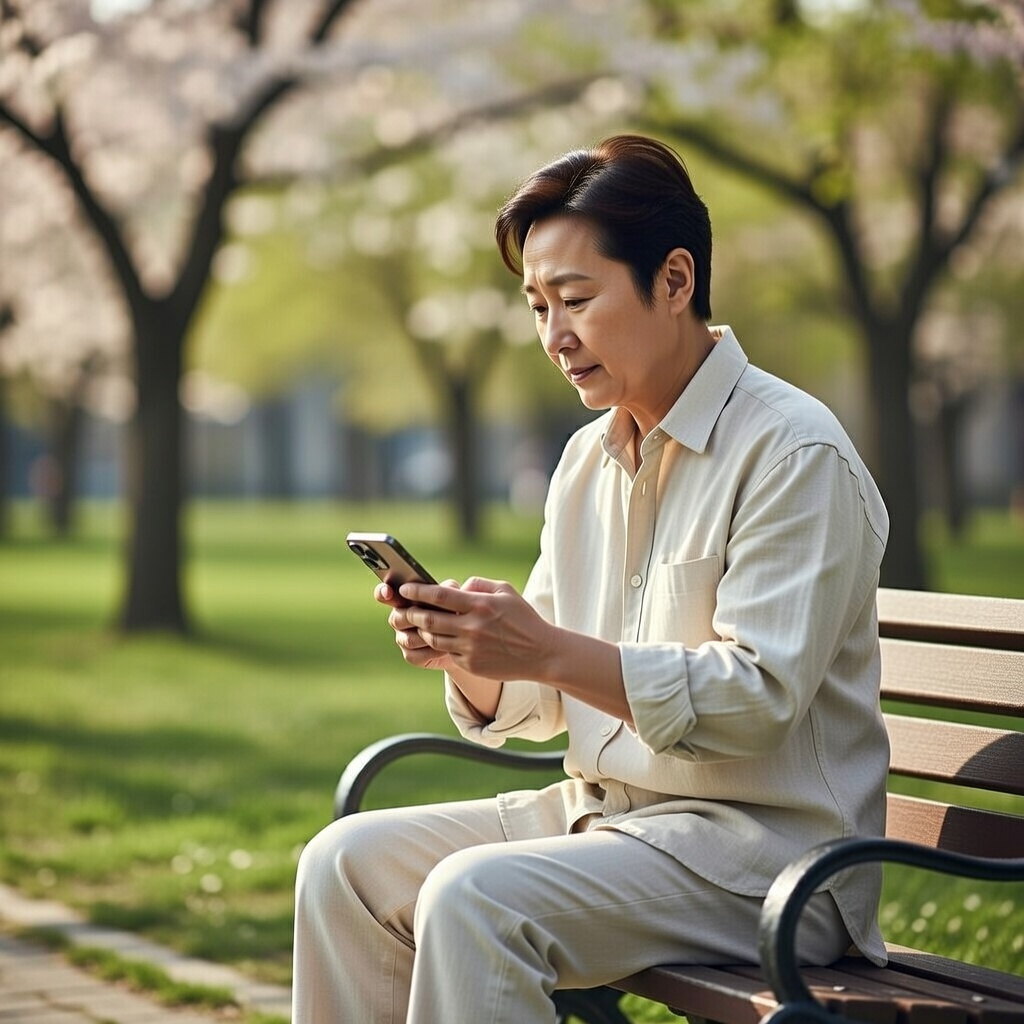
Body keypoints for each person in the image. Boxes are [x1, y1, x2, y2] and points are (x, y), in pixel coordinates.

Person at [292, 133, 891, 1024]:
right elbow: (547, 694)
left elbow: (757, 698)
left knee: (474, 898)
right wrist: (472, 654)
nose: (554, 336)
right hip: (609, 818)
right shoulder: (585, 460)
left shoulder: (793, 453)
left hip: (771, 864)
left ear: (675, 280)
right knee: (342, 864)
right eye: (538, 307)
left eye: (575, 300)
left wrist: (545, 649)